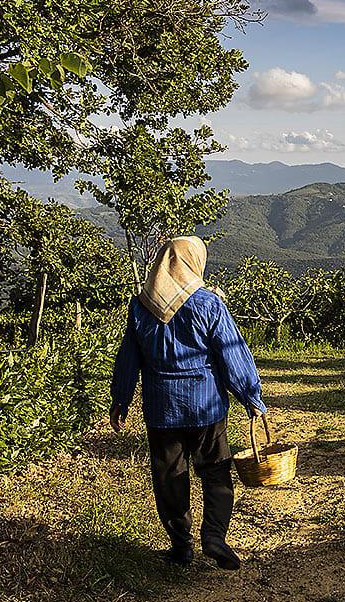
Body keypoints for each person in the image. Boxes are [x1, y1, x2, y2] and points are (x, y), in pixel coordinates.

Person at [110, 236, 265, 570]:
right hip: (205, 405)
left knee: (169, 477)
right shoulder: (209, 304)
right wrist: (251, 396)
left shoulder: (141, 306)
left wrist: (120, 399)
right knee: (215, 471)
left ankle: (181, 547)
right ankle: (214, 537)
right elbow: (231, 352)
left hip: (161, 408)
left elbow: (128, 358)